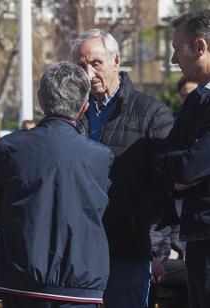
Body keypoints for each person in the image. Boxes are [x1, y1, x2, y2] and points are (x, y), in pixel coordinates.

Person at [0, 61, 114, 308]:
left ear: (40, 101)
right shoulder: (100, 157)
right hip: (81, 283)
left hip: (21, 278)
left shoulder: (10, 148)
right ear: (84, 107)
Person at [71, 28, 174, 308]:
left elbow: (164, 185)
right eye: (80, 66)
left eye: (95, 63)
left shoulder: (151, 114)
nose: (88, 74)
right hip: (77, 255)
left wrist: (142, 229)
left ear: (116, 60)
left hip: (127, 254)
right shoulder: (67, 116)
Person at [152, 10, 210, 308]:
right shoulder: (197, 100)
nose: (174, 60)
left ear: (200, 47)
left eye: (177, 49)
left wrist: (181, 168)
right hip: (199, 233)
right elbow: (170, 157)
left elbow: (191, 165)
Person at [149, 225, 188, 307]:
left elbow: (177, 235)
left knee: (197, 271)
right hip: (146, 259)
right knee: (193, 273)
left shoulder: (168, 214)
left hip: (163, 260)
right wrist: (150, 258)